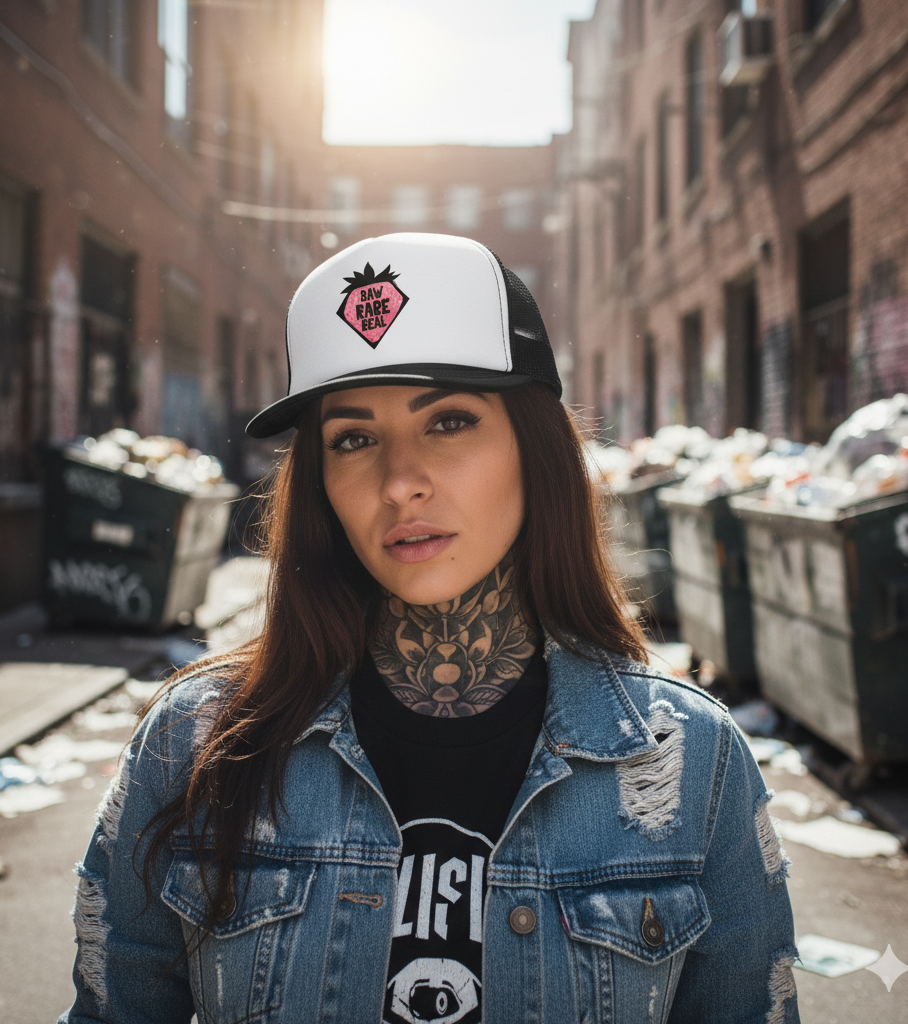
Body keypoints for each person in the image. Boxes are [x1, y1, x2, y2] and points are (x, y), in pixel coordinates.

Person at [60, 233, 799, 1024]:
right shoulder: (195, 745)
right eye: (353, 439)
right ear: (320, 484)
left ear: (535, 449)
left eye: (448, 421)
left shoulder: (688, 761)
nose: (400, 483)